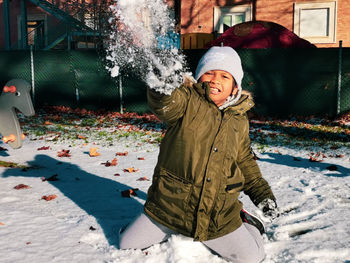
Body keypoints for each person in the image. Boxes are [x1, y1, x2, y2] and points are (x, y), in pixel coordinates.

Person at [119, 46, 279, 262]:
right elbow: (165, 104)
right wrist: (162, 86)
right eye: (210, 73)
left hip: (216, 217)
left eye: (224, 76)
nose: (215, 80)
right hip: (168, 208)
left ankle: (247, 222)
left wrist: (262, 195)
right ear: (198, 77)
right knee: (126, 244)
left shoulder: (239, 121)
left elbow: (244, 161)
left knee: (252, 258)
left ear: (235, 87)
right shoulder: (186, 102)